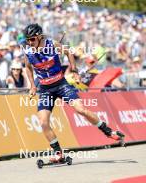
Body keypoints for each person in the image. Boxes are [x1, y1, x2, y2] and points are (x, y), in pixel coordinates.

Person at [23, 23, 125, 162]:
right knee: (43, 122)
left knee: (81, 109)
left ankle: (108, 131)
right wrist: (32, 86)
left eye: (32, 39)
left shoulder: (52, 44)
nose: (30, 42)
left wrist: (75, 70)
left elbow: (69, 52)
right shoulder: (28, 51)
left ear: (40, 37)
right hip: (45, 89)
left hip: (61, 85)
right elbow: (28, 68)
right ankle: (58, 153)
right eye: (27, 40)